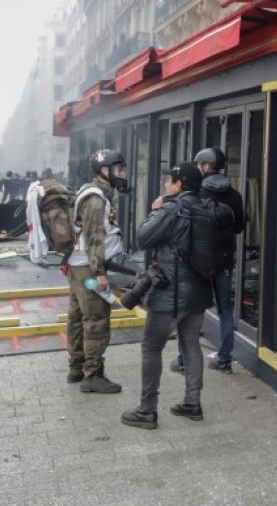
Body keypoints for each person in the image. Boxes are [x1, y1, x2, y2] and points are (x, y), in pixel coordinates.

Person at [122, 162, 210, 430]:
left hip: (171, 292)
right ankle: (192, 403)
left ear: (179, 184)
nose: (165, 184)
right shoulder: (206, 207)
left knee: (151, 347)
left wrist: (155, 210)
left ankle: (147, 410)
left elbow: (142, 238)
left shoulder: (172, 208)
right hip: (199, 290)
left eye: (168, 180)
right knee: (191, 345)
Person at [171, 147, 245, 375]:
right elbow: (239, 227)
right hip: (223, 262)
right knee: (225, 309)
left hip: (198, 263)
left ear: (206, 166)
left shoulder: (197, 192)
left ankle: (183, 360)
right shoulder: (235, 195)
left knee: (192, 310)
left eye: (198, 164)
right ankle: (224, 359)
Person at [65, 149, 128, 394]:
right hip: (90, 271)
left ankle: (76, 368)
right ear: (105, 171)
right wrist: (100, 273)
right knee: (96, 319)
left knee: (77, 317)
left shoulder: (90, 192)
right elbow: (94, 238)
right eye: (119, 170)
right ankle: (92, 375)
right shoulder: (96, 199)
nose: (122, 175)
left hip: (79, 267)